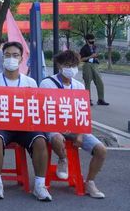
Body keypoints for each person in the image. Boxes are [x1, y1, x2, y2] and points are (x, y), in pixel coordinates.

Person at [0, 41, 52, 201]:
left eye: (15, 55)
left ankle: (40, 185)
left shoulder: (30, 83)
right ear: (3, 58)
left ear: (21, 59)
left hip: (25, 127)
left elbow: (36, 110)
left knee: (41, 141)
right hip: (2, 126)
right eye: (7, 55)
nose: (11, 59)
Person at [39, 50, 107, 199]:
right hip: (53, 127)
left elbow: (82, 113)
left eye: (74, 65)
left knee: (101, 150)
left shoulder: (79, 86)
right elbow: (44, 111)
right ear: (59, 65)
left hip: (74, 128)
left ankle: (90, 182)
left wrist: (80, 134)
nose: (71, 69)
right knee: (57, 139)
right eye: (67, 65)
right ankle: (63, 158)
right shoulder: (47, 84)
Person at [79, 34, 108, 106]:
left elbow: (95, 55)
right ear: (87, 40)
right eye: (91, 39)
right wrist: (90, 56)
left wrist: (97, 57)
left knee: (100, 82)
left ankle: (101, 99)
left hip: (95, 65)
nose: (93, 41)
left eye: (94, 39)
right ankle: (88, 100)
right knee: (87, 83)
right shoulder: (84, 48)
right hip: (87, 65)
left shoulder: (94, 47)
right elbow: (81, 59)